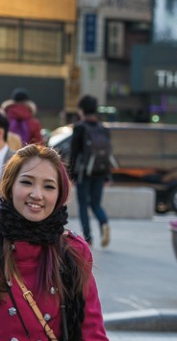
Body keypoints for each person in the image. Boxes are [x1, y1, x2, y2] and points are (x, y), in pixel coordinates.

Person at [0, 145, 108, 340]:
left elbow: (91, 332)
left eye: (49, 186)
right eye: (27, 182)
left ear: (60, 194)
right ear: (10, 186)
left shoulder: (73, 250)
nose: (37, 194)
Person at [70, 95, 111, 248]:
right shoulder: (103, 128)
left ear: (82, 110)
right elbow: (106, 155)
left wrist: (71, 174)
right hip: (100, 172)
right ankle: (104, 223)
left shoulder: (80, 127)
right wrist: (107, 175)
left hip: (83, 173)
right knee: (95, 204)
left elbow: (74, 153)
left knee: (83, 206)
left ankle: (88, 238)